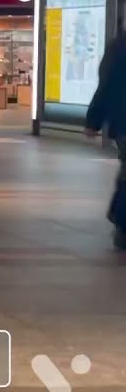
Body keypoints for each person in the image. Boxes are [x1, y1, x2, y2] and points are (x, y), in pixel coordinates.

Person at [85, 27, 126, 250]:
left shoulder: (117, 47)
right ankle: (122, 223)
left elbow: (105, 84)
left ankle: (120, 219)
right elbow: (107, 85)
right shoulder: (119, 48)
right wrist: (94, 119)